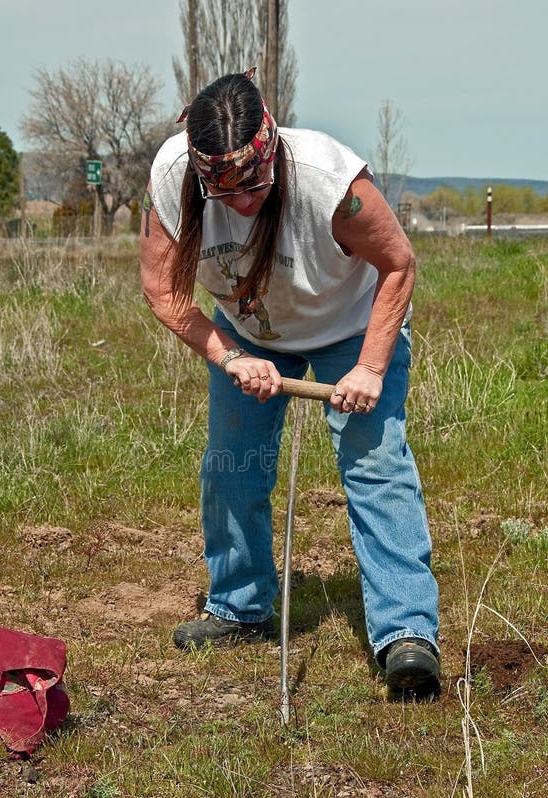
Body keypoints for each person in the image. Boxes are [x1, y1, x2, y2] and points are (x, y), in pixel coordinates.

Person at [140, 69, 440, 694]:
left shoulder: (330, 182)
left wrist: (372, 366)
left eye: (254, 184)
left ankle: (407, 633)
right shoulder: (173, 180)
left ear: (271, 145)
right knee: (232, 466)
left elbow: (399, 264)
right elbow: (164, 294)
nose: (244, 202)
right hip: (250, 332)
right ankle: (240, 605)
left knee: (374, 464)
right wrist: (229, 359)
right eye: (227, 194)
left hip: (352, 326)